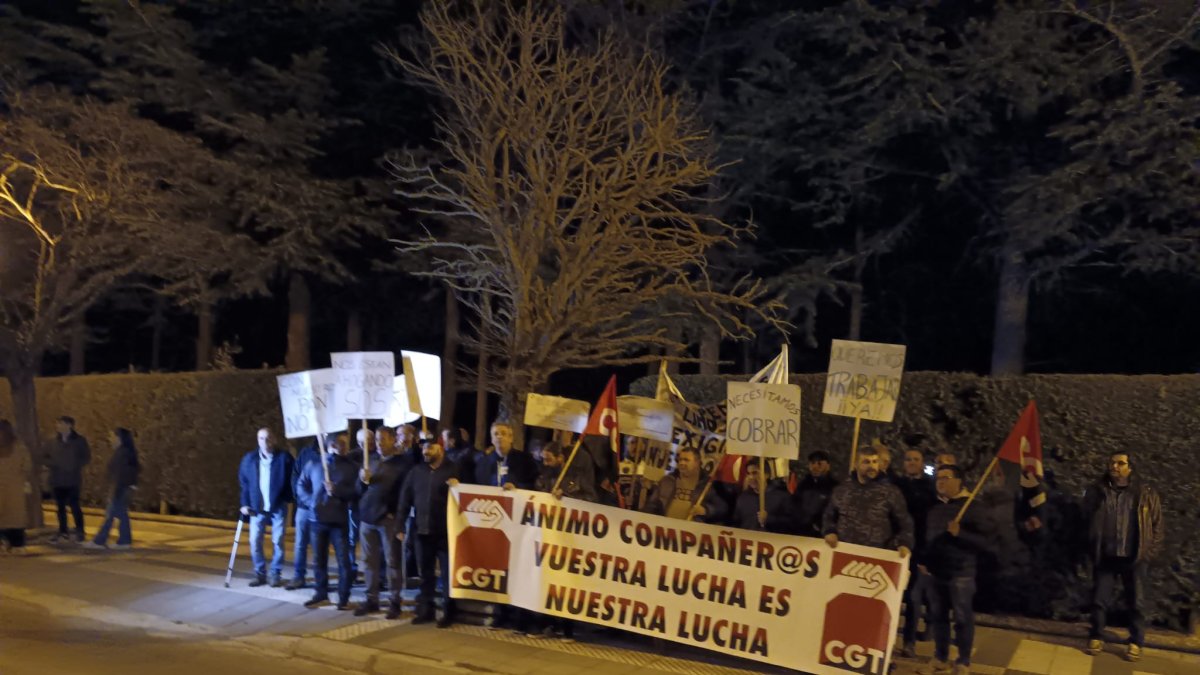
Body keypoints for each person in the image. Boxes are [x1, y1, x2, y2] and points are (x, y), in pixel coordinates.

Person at [1082, 451, 1163, 663]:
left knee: (1136, 602)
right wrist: (1091, 547)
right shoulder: (1097, 491)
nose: (1114, 466)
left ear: (1130, 467)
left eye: (1120, 463)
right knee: (1099, 600)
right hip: (1106, 555)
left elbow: (1157, 526)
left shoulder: (1145, 493)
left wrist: (1147, 553)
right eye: (1112, 462)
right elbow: (1085, 520)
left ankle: (1136, 641)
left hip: (1134, 557)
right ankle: (1096, 636)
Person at [918, 465, 991, 675]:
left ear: (959, 481)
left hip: (961, 573)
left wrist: (961, 534)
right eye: (938, 478)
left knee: (962, 618)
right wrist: (923, 560)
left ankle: (963, 661)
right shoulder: (935, 509)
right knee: (938, 616)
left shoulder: (973, 507)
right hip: (935, 573)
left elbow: (985, 542)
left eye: (946, 477)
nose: (940, 482)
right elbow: (929, 539)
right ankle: (941, 657)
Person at [396, 440, 458, 628]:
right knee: (425, 574)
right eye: (423, 448)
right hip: (422, 531)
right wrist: (400, 525)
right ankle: (426, 609)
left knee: (447, 574)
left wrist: (458, 487)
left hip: (446, 533)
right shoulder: (416, 472)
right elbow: (405, 498)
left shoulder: (454, 470)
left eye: (430, 448)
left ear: (440, 449)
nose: (425, 451)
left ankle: (449, 611)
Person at [354, 426, 414, 619]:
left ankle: (395, 601)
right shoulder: (370, 461)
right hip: (367, 519)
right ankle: (371, 599)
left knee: (393, 561)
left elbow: (405, 494)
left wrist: (397, 517)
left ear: (392, 440)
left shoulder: (402, 464)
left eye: (383, 439)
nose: (378, 443)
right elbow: (359, 491)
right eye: (377, 439)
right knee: (369, 561)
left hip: (388, 520)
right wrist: (361, 480)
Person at [298, 432, 359, 610]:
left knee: (343, 560)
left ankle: (343, 597)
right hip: (317, 519)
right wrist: (311, 502)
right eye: (342, 443)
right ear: (332, 445)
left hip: (339, 520)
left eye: (346, 443)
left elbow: (356, 492)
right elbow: (301, 485)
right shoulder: (314, 464)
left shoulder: (351, 467)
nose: (346, 447)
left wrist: (337, 490)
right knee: (319, 559)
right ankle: (320, 593)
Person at [823, 446, 914, 556]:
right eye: (866, 462)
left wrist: (903, 543)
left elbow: (905, 522)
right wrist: (829, 532)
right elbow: (828, 516)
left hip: (876, 556)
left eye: (874, 461)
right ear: (856, 464)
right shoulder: (842, 490)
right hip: (844, 553)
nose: (872, 466)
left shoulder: (890, 492)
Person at [237, 428, 295, 587]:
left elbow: (293, 478)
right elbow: (244, 483)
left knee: (278, 541)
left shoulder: (284, 458)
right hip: (257, 507)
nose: (264, 442)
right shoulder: (250, 459)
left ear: (274, 440)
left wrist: (288, 497)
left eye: (268, 438)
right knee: (255, 541)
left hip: (277, 506)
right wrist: (245, 503)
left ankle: (275, 573)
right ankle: (260, 573)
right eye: (261, 438)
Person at [897, 448, 938, 655]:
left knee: (914, 597)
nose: (912, 462)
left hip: (918, 547)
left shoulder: (930, 488)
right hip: (896, 546)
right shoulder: (896, 485)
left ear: (922, 463)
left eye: (916, 459)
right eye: (908, 459)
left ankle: (909, 642)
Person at [85, 428, 140, 550]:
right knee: (121, 515)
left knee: (110, 516)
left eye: (112, 436)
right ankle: (124, 541)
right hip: (124, 488)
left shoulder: (122, 453)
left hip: (120, 488)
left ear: (119, 438)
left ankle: (99, 541)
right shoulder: (126, 452)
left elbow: (120, 474)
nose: (110, 439)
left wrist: (116, 491)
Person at [642, 446, 727, 523]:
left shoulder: (708, 484)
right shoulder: (667, 480)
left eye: (686, 460)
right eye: (680, 460)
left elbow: (721, 507)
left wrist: (706, 510)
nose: (682, 463)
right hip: (666, 528)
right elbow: (652, 504)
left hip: (692, 531)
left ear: (697, 462)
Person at [45, 415, 91, 543]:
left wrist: (74, 465)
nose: (58, 426)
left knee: (75, 506)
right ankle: (63, 531)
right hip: (57, 479)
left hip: (73, 479)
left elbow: (86, 457)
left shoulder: (79, 441)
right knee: (60, 508)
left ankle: (80, 531)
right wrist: (53, 463)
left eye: (61, 423)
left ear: (69, 425)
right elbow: (43, 456)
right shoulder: (52, 441)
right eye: (57, 424)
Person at [287, 436, 323, 590]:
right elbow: (295, 475)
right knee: (300, 544)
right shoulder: (306, 453)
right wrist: (301, 497)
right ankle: (298, 576)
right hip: (304, 508)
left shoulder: (331, 456)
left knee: (318, 545)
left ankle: (320, 578)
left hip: (322, 509)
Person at [0, 420, 33, 555]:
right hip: (15, 486)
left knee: (7, 516)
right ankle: (17, 544)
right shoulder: (19, 447)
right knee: (15, 517)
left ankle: (5, 543)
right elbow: (27, 465)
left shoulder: (18, 447)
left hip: (9, 486)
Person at [732, 459, 791, 533]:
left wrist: (769, 519)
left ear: (767, 475)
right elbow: (736, 524)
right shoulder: (743, 498)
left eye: (755, 473)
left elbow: (791, 524)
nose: (751, 477)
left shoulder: (781, 497)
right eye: (748, 473)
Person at [476, 421, 537, 490]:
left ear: (511, 438)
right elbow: (479, 485)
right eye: (496, 434)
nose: (499, 437)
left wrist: (517, 487)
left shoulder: (525, 460)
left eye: (503, 433)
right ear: (492, 439)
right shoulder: (484, 462)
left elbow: (532, 484)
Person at [793, 451, 838, 536]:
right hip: (800, 533)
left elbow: (834, 512)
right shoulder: (803, 485)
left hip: (822, 535)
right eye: (812, 463)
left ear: (828, 466)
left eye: (819, 463)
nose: (815, 467)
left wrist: (819, 526)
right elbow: (794, 505)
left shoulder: (834, 487)